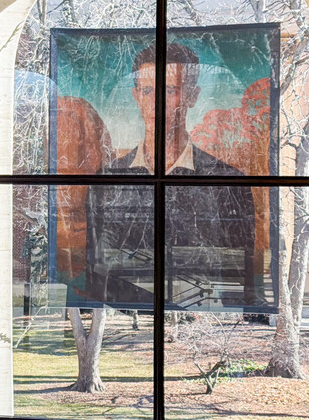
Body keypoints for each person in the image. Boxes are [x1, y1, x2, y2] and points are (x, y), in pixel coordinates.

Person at [85, 43, 257, 308]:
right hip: (128, 322)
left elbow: (237, 277)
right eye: (147, 91)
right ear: (136, 96)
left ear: (192, 96)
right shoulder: (106, 182)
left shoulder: (228, 181)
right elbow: (97, 275)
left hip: (202, 322)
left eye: (170, 90)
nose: (157, 102)